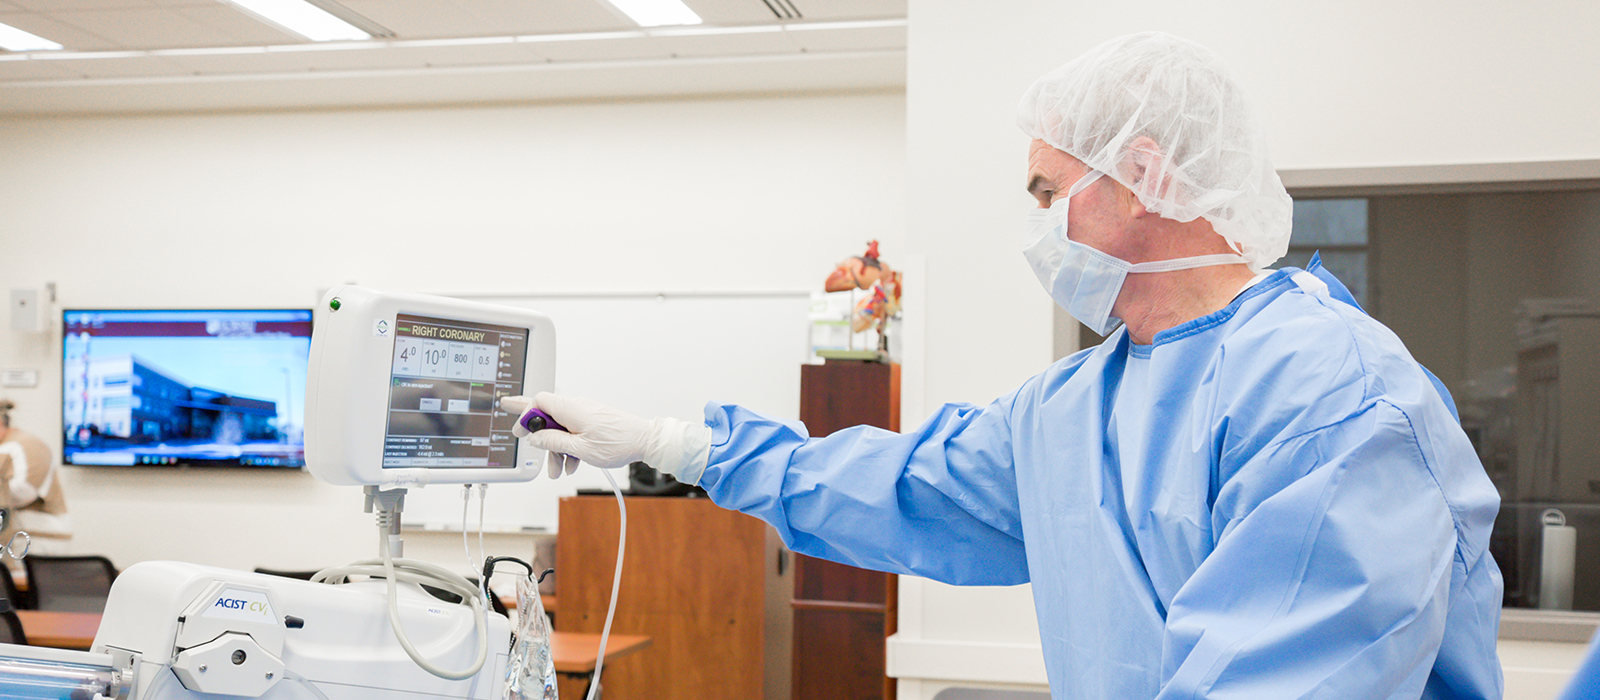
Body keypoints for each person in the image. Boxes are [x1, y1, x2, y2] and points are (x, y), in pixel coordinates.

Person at [509, 32, 1503, 699]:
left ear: (1146, 173)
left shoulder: (1333, 397)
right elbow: (900, 489)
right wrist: (671, 443)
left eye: (1048, 190)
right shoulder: (1076, 403)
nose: (1038, 224)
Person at [0, 399, 71, 565]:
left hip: (36, 538)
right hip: (11, 537)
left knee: (27, 589)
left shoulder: (26, 444)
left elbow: (24, 491)